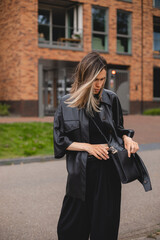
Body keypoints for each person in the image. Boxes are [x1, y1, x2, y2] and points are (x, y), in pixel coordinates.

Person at [53, 52, 139, 240]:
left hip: (109, 174)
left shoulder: (111, 99)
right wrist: (87, 147)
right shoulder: (67, 103)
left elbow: (118, 130)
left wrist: (128, 139)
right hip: (79, 175)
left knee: (104, 231)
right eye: (94, 80)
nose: (99, 85)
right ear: (84, 77)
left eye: (102, 79)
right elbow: (60, 141)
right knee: (69, 230)